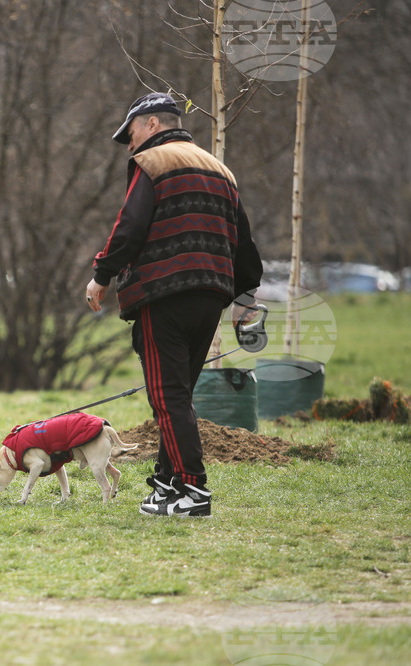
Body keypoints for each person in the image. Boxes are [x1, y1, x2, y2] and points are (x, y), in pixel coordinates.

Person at [85, 92, 263, 518]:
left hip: (163, 292)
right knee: (177, 394)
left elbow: (128, 227)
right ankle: (167, 482)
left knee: (168, 396)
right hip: (212, 295)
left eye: (129, 133)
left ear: (150, 125)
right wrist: (246, 296)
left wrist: (101, 274)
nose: (128, 144)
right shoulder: (221, 170)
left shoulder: (152, 163)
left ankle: (190, 489)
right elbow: (245, 245)